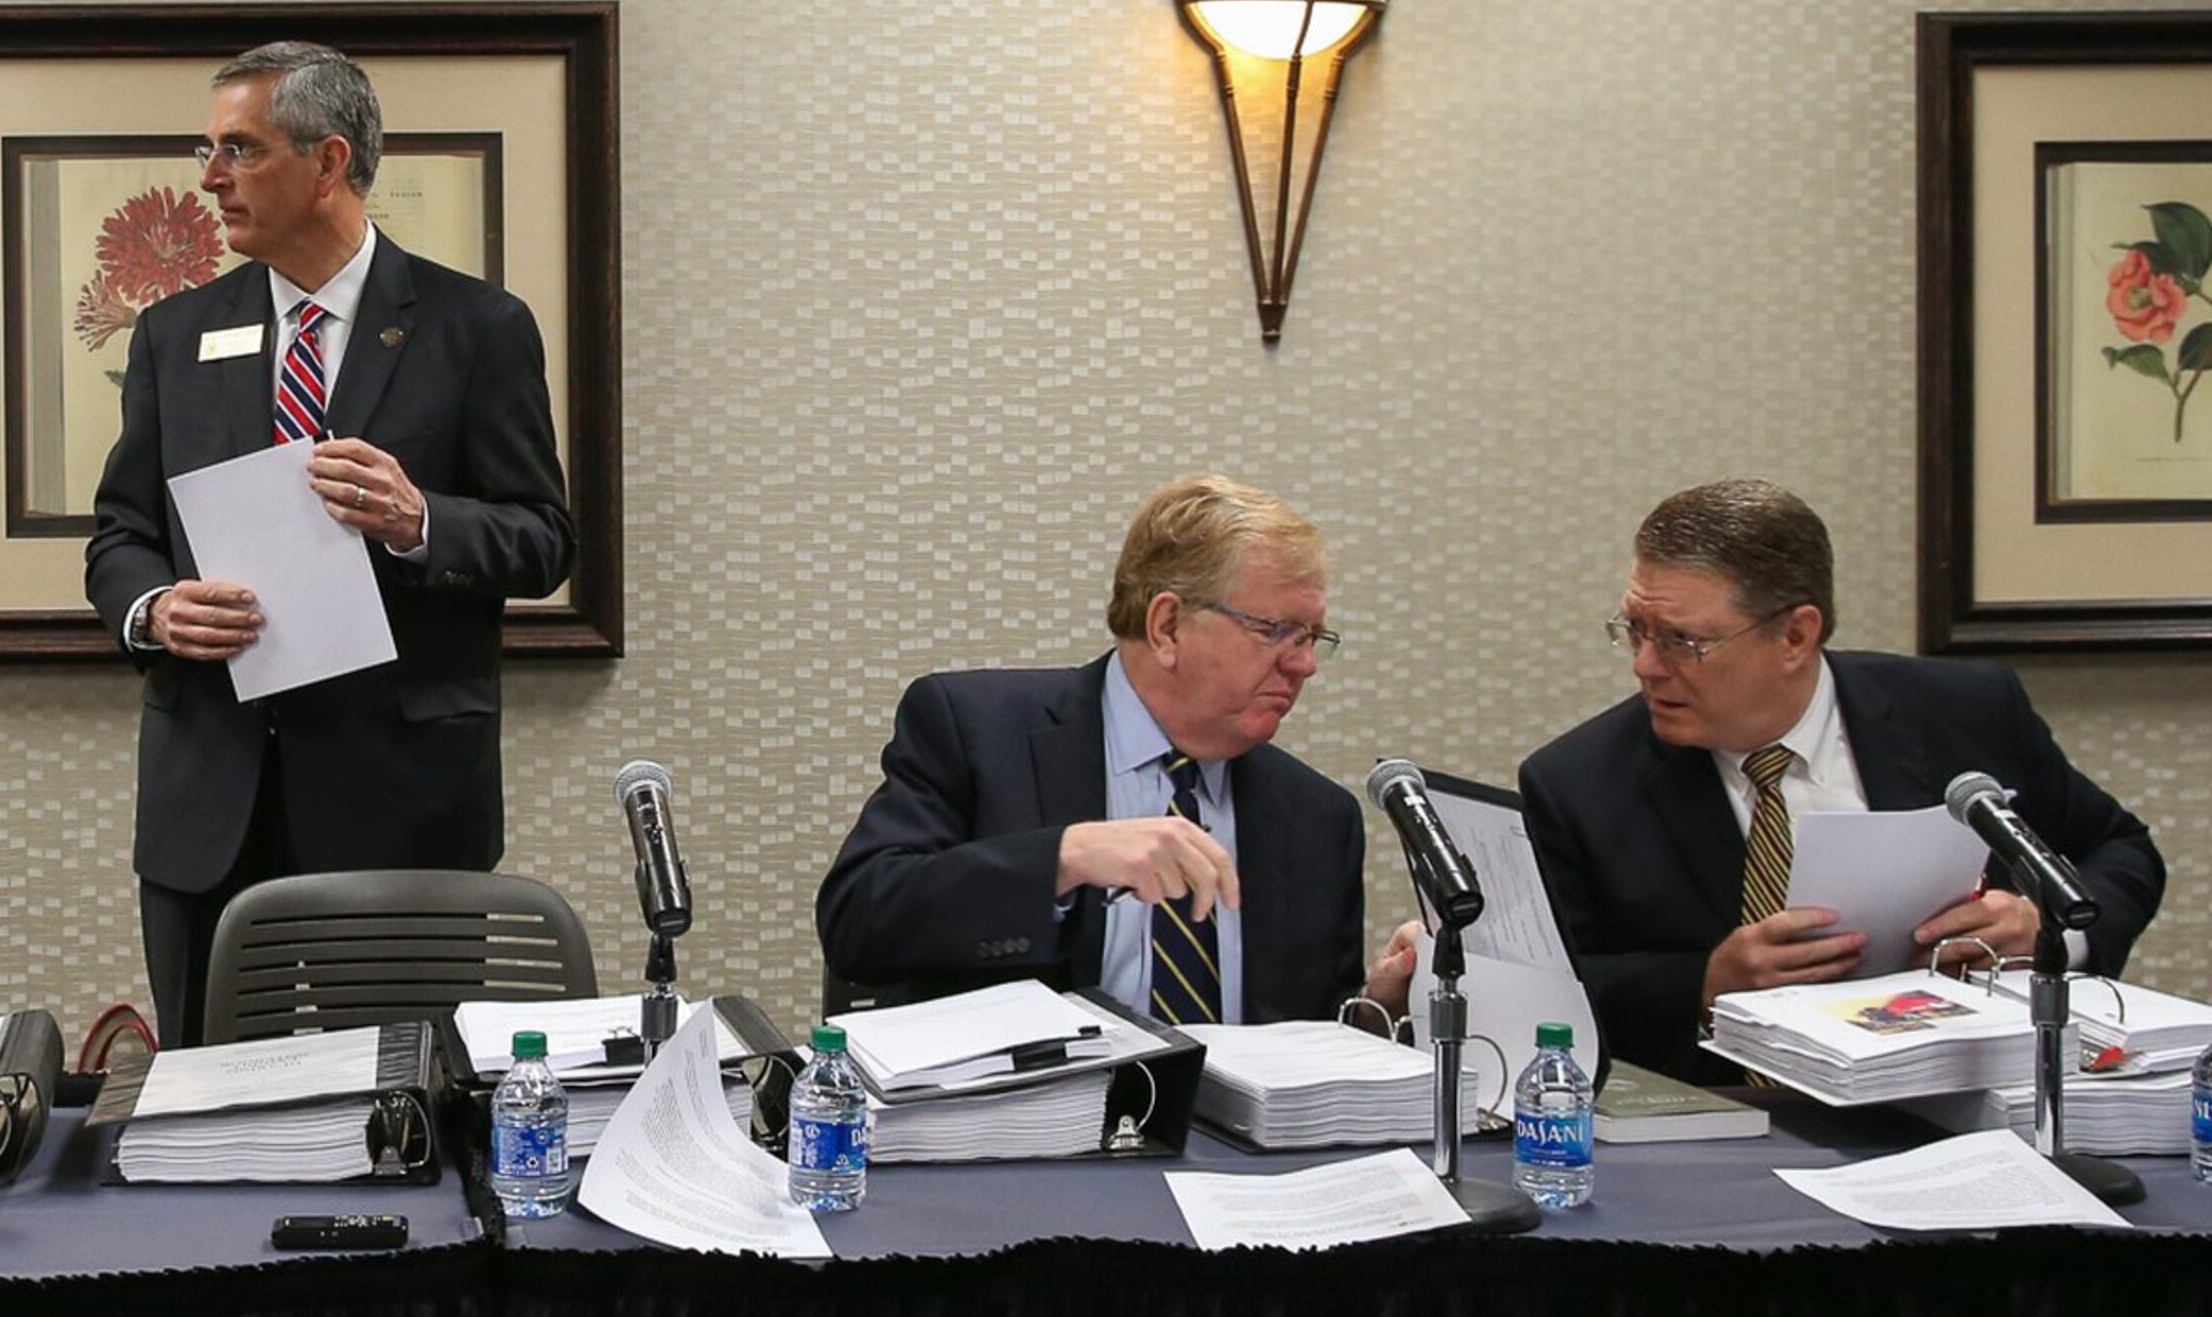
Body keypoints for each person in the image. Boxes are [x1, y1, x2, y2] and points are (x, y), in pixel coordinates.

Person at [85, 41, 576, 1045]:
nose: (209, 177)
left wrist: (420, 521)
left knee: (408, 1111)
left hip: (399, 799)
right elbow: (121, 535)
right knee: (210, 1117)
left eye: (240, 149)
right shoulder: (176, 336)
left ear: (328, 163)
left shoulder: (475, 327)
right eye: (208, 149)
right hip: (209, 801)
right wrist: (152, 607)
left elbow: (542, 540)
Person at [1518, 478, 2165, 1081]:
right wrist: (1705, 983)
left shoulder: (1966, 714)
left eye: (1684, 641)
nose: (1646, 666)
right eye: (1636, 630)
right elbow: (1544, 991)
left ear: (1796, 635)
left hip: (1955, 1102)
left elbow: (2122, 851)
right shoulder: (1577, 784)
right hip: (1725, 1128)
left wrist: (2049, 927)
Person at [815, 476, 1417, 1023]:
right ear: (1167, 627)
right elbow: (859, 925)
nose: (1305, 664)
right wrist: (1063, 858)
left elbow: (1305, 1039)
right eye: (1276, 631)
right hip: (1029, 1132)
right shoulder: (975, 729)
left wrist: (1375, 1008)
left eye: (1314, 637)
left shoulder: (1317, 817)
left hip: (1236, 1145)